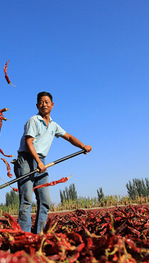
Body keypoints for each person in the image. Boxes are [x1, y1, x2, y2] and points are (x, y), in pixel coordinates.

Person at [14, 91, 92, 233]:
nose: (44, 104)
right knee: (26, 200)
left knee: (45, 200)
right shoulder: (33, 120)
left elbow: (68, 137)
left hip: (41, 161)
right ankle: (24, 235)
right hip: (26, 159)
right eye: (41, 102)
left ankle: (40, 234)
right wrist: (38, 161)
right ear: (37, 105)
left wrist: (83, 146)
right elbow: (29, 142)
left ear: (52, 105)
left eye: (47, 102)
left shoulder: (54, 126)